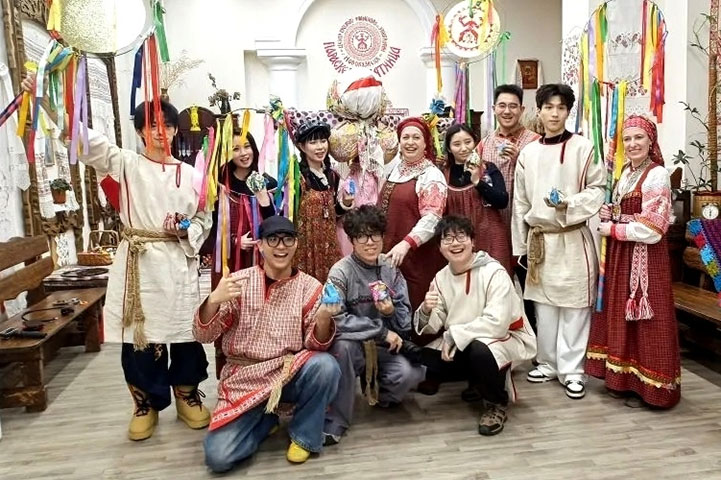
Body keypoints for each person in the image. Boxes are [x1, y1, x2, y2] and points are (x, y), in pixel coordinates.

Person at [22, 72, 215, 440]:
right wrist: (46, 98)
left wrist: (186, 230)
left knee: (184, 332)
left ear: (175, 130)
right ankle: (145, 403)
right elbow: (84, 140)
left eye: (167, 125)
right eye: (152, 126)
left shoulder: (193, 174)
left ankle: (186, 395)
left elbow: (204, 219)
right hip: (139, 262)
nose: (160, 132)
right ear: (141, 131)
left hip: (177, 262)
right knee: (141, 338)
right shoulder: (125, 163)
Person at [194, 215, 341, 472]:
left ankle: (304, 436)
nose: (281, 246)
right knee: (218, 457)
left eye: (287, 239)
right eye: (272, 239)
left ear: (296, 244)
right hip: (244, 379)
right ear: (260, 245)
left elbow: (316, 346)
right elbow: (203, 335)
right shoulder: (238, 282)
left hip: (286, 373)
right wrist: (214, 300)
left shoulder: (310, 288)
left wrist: (323, 319)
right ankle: (265, 420)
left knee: (326, 366)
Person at [511, 83, 605, 399]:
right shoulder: (528, 153)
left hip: (572, 236)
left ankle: (573, 370)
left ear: (568, 112)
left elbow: (597, 189)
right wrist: (520, 247)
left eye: (561, 108)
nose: (554, 113)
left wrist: (569, 203)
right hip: (541, 240)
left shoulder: (584, 148)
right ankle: (548, 363)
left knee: (575, 305)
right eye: (548, 107)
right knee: (545, 307)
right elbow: (520, 203)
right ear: (539, 111)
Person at [586, 116, 681, 409]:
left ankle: (654, 390)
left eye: (639, 137)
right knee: (622, 317)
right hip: (621, 256)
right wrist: (610, 211)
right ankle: (623, 381)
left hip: (646, 259)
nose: (632, 144)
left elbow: (654, 228)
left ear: (651, 141)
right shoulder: (625, 172)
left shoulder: (657, 174)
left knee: (647, 321)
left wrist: (614, 229)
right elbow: (625, 210)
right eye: (627, 139)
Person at [414, 216, 536, 436]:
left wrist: (454, 335)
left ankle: (496, 404)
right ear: (440, 247)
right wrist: (425, 310)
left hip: (505, 337)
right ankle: (477, 381)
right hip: (463, 339)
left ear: (472, 241)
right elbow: (434, 324)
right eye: (447, 239)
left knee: (480, 350)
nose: (455, 243)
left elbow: (497, 324)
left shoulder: (493, 272)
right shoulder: (441, 278)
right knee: (423, 356)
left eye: (461, 236)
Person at [323, 205, 424, 445]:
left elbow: (405, 324)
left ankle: (382, 394)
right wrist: (381, 330)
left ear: (382, 236)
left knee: (412, 374)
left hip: (384, 348)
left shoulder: (390, 269)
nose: (370, 242)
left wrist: (390, 312)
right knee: (343, 347)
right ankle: (336, 421)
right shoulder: (340, 271)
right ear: (352, 240)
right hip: (354, 346)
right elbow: (336, 319)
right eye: (362, 236)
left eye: (375, 235)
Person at [203, 130, 278, 379]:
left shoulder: (266, 181)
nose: (244, 153)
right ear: (228, 152)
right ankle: (229, 373)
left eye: (247, 146)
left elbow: (274, 225)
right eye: (236, 148)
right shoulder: (220, 183)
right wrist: (235, 241)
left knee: (260, 313)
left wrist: (263, 199)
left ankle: (262, 371)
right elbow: (211, 226)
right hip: (230, 263)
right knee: (231, 311)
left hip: (261, 263)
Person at [479, 84, 541, 324]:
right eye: (502, 106)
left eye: (513, 106)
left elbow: (543, 181)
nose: (507, 111)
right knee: (497, 290)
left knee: (530, 292)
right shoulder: (484, 144)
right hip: (494, 229)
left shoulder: (535, 142)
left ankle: (536, 339)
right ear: (494, 108)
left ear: (522, 109)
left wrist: (520, 160)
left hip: (526, 228)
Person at [379, 117, 447, 312]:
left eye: (416, 137)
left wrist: (406, 243)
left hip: (417, 258)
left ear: (426, 143)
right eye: (405, 137)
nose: (410, 142)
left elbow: (432, 218)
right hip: (391, 254)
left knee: (414, 303)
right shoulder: (395, 170)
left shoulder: (431, 175)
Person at [443, 123, 511, 273]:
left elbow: (502, 201)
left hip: (492, 237)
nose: (464, 148)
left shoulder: (488, 169)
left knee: (496, 280)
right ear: (449, 148)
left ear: (475, 142)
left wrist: (478, 182)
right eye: (457, 144)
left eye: (468, 142)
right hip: (459, 241)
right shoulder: (443, 174)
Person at [294, 119, 354, 283]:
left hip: (329, 245)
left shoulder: (332, 175)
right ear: (302, 147)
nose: (320, 147)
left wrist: (345, 203)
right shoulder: (296, 177)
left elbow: (332, 214)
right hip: (306, 247)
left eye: (323, 141)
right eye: (313, 142)